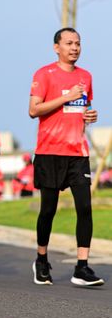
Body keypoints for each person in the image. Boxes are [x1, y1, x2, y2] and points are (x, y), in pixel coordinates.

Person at [29, 27, 104, 287]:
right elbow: (33, 110)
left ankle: (82, 267)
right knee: (48, 210)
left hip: (77, 153)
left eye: (78, 43)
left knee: (85, 207)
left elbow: (84, 107)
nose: (74, 48)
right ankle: (41, 260)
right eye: (69, 43)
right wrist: (67, 97)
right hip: (49, 152)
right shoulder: (44, 74)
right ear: (56, 47)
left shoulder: (86, 76)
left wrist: (90, 115)